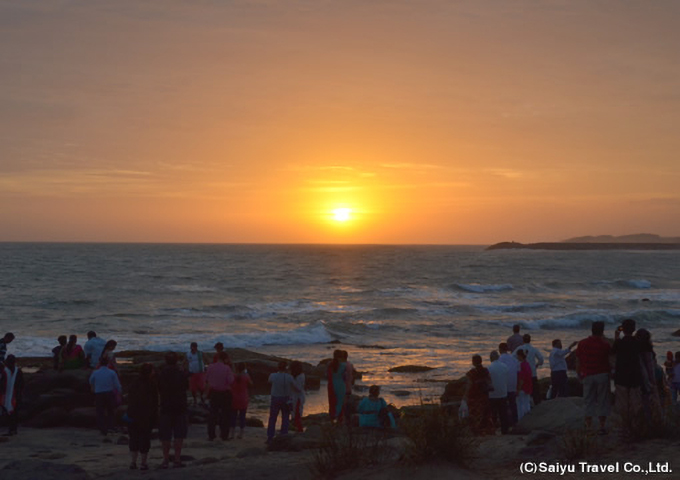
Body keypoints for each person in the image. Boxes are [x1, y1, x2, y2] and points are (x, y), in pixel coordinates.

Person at [575, 321, 612, 435]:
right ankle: (601, 426)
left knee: (588, 400)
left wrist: (578, 374)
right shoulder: (605, 344)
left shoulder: (582, 343)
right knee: (602, 400)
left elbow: (578, 360)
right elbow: (610, 359)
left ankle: (588, 426)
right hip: (602, 374)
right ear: (602, 331)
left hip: (587, 374)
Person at [158, 352, 189, 469]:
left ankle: (165, 459)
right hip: (180, 406)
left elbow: (159, 388)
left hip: (166, 406)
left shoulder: (162, 373)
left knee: (165, 436)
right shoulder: (181, 373)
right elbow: (186, 386)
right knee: (179, 435)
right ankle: (177, 459)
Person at [612, 319, 642, 435]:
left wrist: (616, 337)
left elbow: (613, 352)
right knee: (635, 403)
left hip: (621, 376)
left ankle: (625, 426)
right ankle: (635, 426)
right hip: (635, 376)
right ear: (634, 329)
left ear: (623, 330)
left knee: (623, 404)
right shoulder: (637, 342)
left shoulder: (619, 342)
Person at [126, 363, 158, 471]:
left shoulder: (134, 382)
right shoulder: (151, 384)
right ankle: (143, 463)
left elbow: (129, 397)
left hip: (133, 414)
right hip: (146, 415)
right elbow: (154, 402)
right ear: (149, 372)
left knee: (133, 438)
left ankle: (133, 462)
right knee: (145, 439)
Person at [205, 351, 234, 441]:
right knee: (225, 415)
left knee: (212, 415)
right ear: (225, 359)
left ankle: (211, 435)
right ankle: (224, 435)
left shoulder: (210, 367)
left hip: (213, 392)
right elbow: (231, 381)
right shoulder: (227, 368)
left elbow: (206, 379)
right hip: (224, 393)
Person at [89, 357, 122, 436]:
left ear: (100, 363)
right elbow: (117, 385)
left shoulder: (95, 372)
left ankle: (102, 428)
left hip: (99, 393)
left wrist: (94, 387)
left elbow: (91, 381)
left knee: (100, 412)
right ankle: (111, 426)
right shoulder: (112, 372)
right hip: (109, 393)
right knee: (111, 411)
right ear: (108, 363)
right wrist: (119, 393)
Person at [635, 328, 663, 421]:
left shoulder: (636, 351)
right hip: (654, 375)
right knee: (656, 399)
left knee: (644, 401)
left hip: (642, 378)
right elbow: (651, 367)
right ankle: (657, 419)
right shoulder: (648, 350)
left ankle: (648, 421)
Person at [463, 354, 493, 434]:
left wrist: (465, 396)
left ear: (473, 362)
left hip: (474, 397)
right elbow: (489, 381)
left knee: (474, 414)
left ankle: (476, 431)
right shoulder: (486, 370)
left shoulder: (471, 373)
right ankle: (487, 430)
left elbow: (469, 385)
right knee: (486, 413)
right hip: (484, 395)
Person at [513, 334, 544, 406]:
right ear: (530, 340)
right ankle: (537, 406)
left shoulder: (519, 348)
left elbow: (512, 357)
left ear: (523, 340)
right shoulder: (534, 349)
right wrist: (537, 364)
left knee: (523, 392)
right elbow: (541, 359)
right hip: (532, 372)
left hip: (523, 373)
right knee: (535, 392)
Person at [267, 360, 293, 443]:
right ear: (286, 368)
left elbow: (269, 381)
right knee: (285, 418)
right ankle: (284, 435)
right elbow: (293, 385)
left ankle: (270, 437)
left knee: (272, 418)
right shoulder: (289, 377)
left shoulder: (272, 375)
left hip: (275, 398)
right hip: (286, 398)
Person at [0, 355, 24, 436]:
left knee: (9, 412)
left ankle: (11, 429)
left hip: (9, 394)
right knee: (14, 412)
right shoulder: (18, 371)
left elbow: (2, 384)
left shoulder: (5, 371)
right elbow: (21, 384)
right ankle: (13, 429)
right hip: (16, 394)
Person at [488, 351, 509, 434]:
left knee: (493, 414)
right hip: (503, 392)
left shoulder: (489, 368)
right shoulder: (504, 366)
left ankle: (493, 430)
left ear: (491, 358)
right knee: (503, 413)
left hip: (493, 394)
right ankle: (504, 430)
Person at [498, 342, 520, 426]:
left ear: (500, 350)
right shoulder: (514, 358)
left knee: (504, 406)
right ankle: (515, 422)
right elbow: (518, 372)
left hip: (505, 385)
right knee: (513, 404)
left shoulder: (500, 359)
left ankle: (506, 423)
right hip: (513, 384)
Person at [231, 362, 252, 439]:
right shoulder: (246, 376)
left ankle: (232, 433)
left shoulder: (233, 376)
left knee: (233, 416)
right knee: (242, 416)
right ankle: (241, 433)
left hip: (234, 398)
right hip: (243, 398)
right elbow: (251, 384)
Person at [327, 350, 347, 423]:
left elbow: (328, 376)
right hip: (340, 384)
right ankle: (340, 418)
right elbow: (345, 377)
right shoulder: (344, 365)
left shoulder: (329, 364)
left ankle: (332, 417)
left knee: (332, 401)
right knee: (340, 401)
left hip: (331, 384)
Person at [185, 342, 206, 406]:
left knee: (202, 387)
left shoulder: (200, 353)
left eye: (194, 347)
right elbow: (185, 361)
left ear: (196, 347)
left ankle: (201, 396)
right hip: (192, 373)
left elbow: (207, 360)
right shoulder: (188, 354)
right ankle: (195, 399)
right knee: (193, 388)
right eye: (192, 347)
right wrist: (184, 369)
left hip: (200, 372)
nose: (193, 348)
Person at [516, 349, 533, 421]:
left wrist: (518, 389)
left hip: (523, 387)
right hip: (528, 386)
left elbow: (521, 379)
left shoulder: (521, 365)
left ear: (520, 356)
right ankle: (528, 419)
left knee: (520, 405)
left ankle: (521, 420)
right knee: (527, 403)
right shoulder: (527, 364)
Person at [289, 361, 306, 432]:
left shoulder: (300, 376)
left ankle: (299, 429)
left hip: (298, 397)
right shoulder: (296, 376)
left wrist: (291, 380)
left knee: (297, 414)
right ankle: (295, 428)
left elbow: (298, 388)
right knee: (293, 413)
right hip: (293, 397)